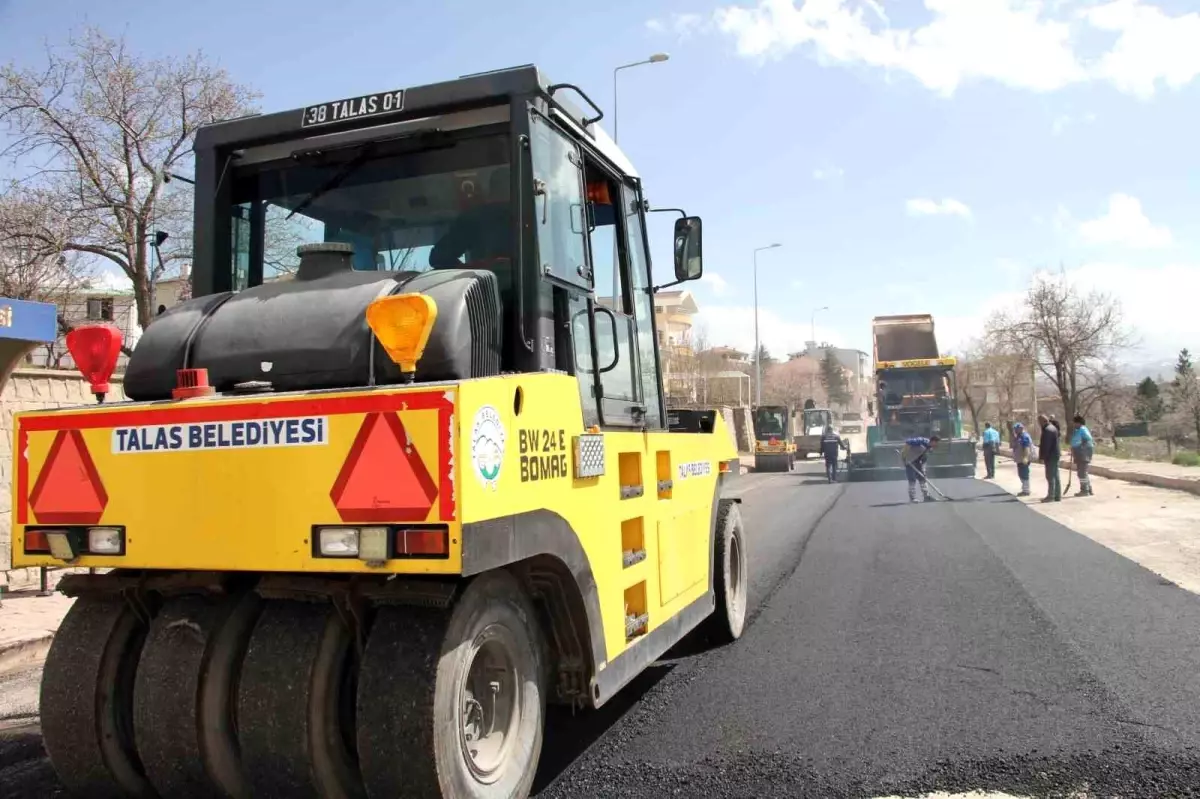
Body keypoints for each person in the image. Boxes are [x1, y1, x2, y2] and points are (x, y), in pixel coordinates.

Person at [902, 435, 940, 503]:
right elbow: (907, 443)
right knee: (912, 479)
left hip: (917, 462)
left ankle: (926, 496)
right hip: (909, 461)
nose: (937, 445)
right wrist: (904, 456)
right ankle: (912, 498)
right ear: (933, 441)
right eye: (936, 443)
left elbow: (924, 460)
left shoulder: (929, 448)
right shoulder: (921, 441)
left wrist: (923, 470)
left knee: (923, 478)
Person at [1037, 413, 1062, 503]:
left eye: (1039, 422)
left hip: (1051, 456)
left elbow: (1046, 445)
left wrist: (1042, 457)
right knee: (1055, 475)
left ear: (1043, 421)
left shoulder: (1047, 430)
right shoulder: (1053, 428)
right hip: (1055, 454)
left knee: (1050, 476)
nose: (1039, 424)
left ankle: (1051, 496)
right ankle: (1057, 495)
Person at [1070, 414, 1095, 497]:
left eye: (1075, 423)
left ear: (1079, 423)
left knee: (1081, 473)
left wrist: (1080, 448)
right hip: (1079, 452)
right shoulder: (1078, 430)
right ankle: (1089, 488)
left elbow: (1087, 440)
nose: (1074, 425)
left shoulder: (1083, 430)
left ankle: (1084, 490)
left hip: (1083, 453)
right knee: (1083, 472)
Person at [1011, 422, 1033, 496]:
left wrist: (1026, 458)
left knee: (1024, 474)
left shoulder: (1024, 436)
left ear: (1020, 429)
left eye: (1016, 429)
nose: (1015, 430)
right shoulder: (1018, 436)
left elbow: (1026, 448)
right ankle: (1024, 488)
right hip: (1019, 459)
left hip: (1024, 459)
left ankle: (1026, 490)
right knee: (1021, 474)